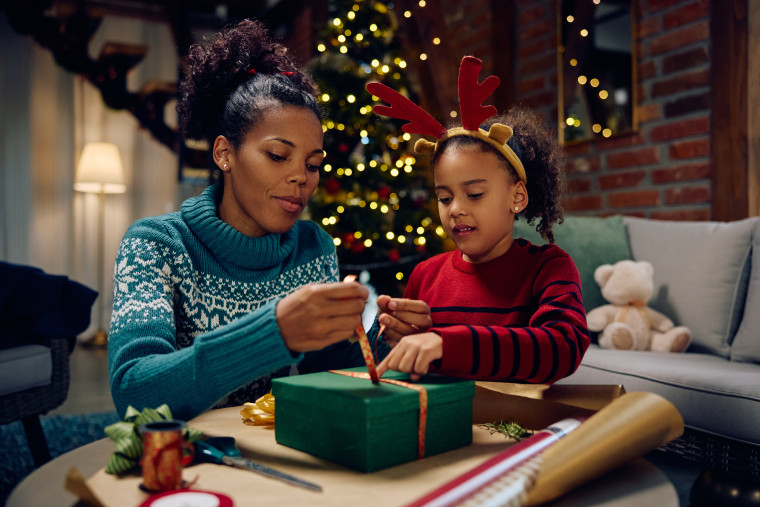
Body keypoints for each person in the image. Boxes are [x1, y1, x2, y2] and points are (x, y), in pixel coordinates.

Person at [108, 19, 428, 421]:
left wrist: (390, 343)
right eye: (278, 155)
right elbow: (134, 392)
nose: (301, 178)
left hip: (268, 449)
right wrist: (273, 332)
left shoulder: (313, 248)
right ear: (224, 153)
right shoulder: (156, 245)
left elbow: (332, 372)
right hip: (181, 456)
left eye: (313, 164)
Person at [371, 56, 590, 382]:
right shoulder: (425, 275)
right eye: (444, 198)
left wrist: (446, 344)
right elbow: (390, 366)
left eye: (474, 194)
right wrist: (388, 334)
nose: (455, 209)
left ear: (516, 197)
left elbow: (563, 347)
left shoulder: (548, 267)